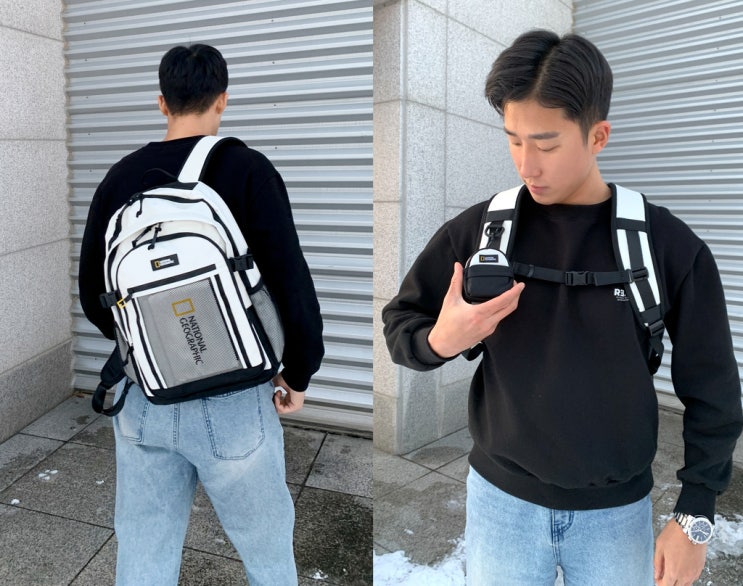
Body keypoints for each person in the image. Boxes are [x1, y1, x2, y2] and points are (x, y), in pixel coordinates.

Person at [382, 29, 742, 586]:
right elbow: (400, 322)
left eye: (546, 145)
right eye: (513, 141)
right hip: (499, 505)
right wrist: (439, 341)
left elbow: (713, 388)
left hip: (615, 517)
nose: (527, 165)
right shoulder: (481, 231)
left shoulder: (665, 245)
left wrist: (695, 514)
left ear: (598, 136)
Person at [79, 44, 324, 585]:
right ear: (223, 100)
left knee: (144, 550)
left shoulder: (120, 179)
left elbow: (93, 294)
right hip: (235, 397)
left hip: (144, 397)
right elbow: (290, 281)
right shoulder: (248, 170)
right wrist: (299, 372)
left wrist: (148, 350)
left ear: (161, 102)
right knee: (266, 553)